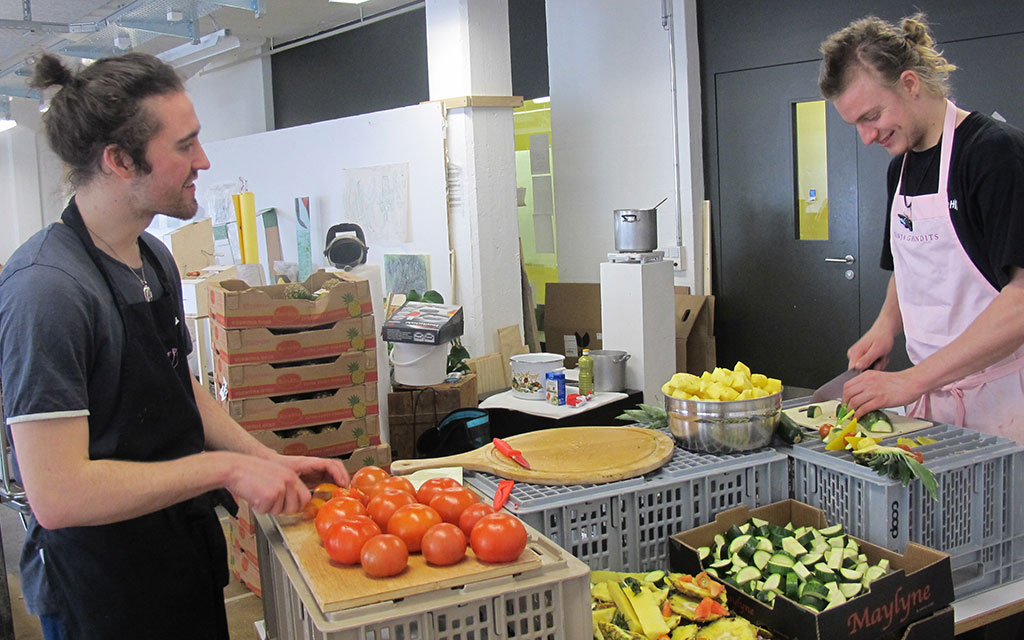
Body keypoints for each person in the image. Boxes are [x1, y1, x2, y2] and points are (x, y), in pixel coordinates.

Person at [0, 53, 349, 639]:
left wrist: (267, 460)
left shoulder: (153, 257)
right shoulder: (47, 292)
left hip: (178, 556)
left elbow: (175, 387)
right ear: (118, 160)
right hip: (101, 590)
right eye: (185, 146)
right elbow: (58, 494)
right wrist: (225, 469)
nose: (204, 161)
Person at [818, 14, 1024, 442]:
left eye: (872, 116)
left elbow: (1020, 303)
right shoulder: (901, 170)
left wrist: (909, 381)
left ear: (910, 84)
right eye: (855, 123)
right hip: (934, 400)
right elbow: (911, 268)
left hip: (1003, 399)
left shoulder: (993, 154)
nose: (866, 137)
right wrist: (885, 326)